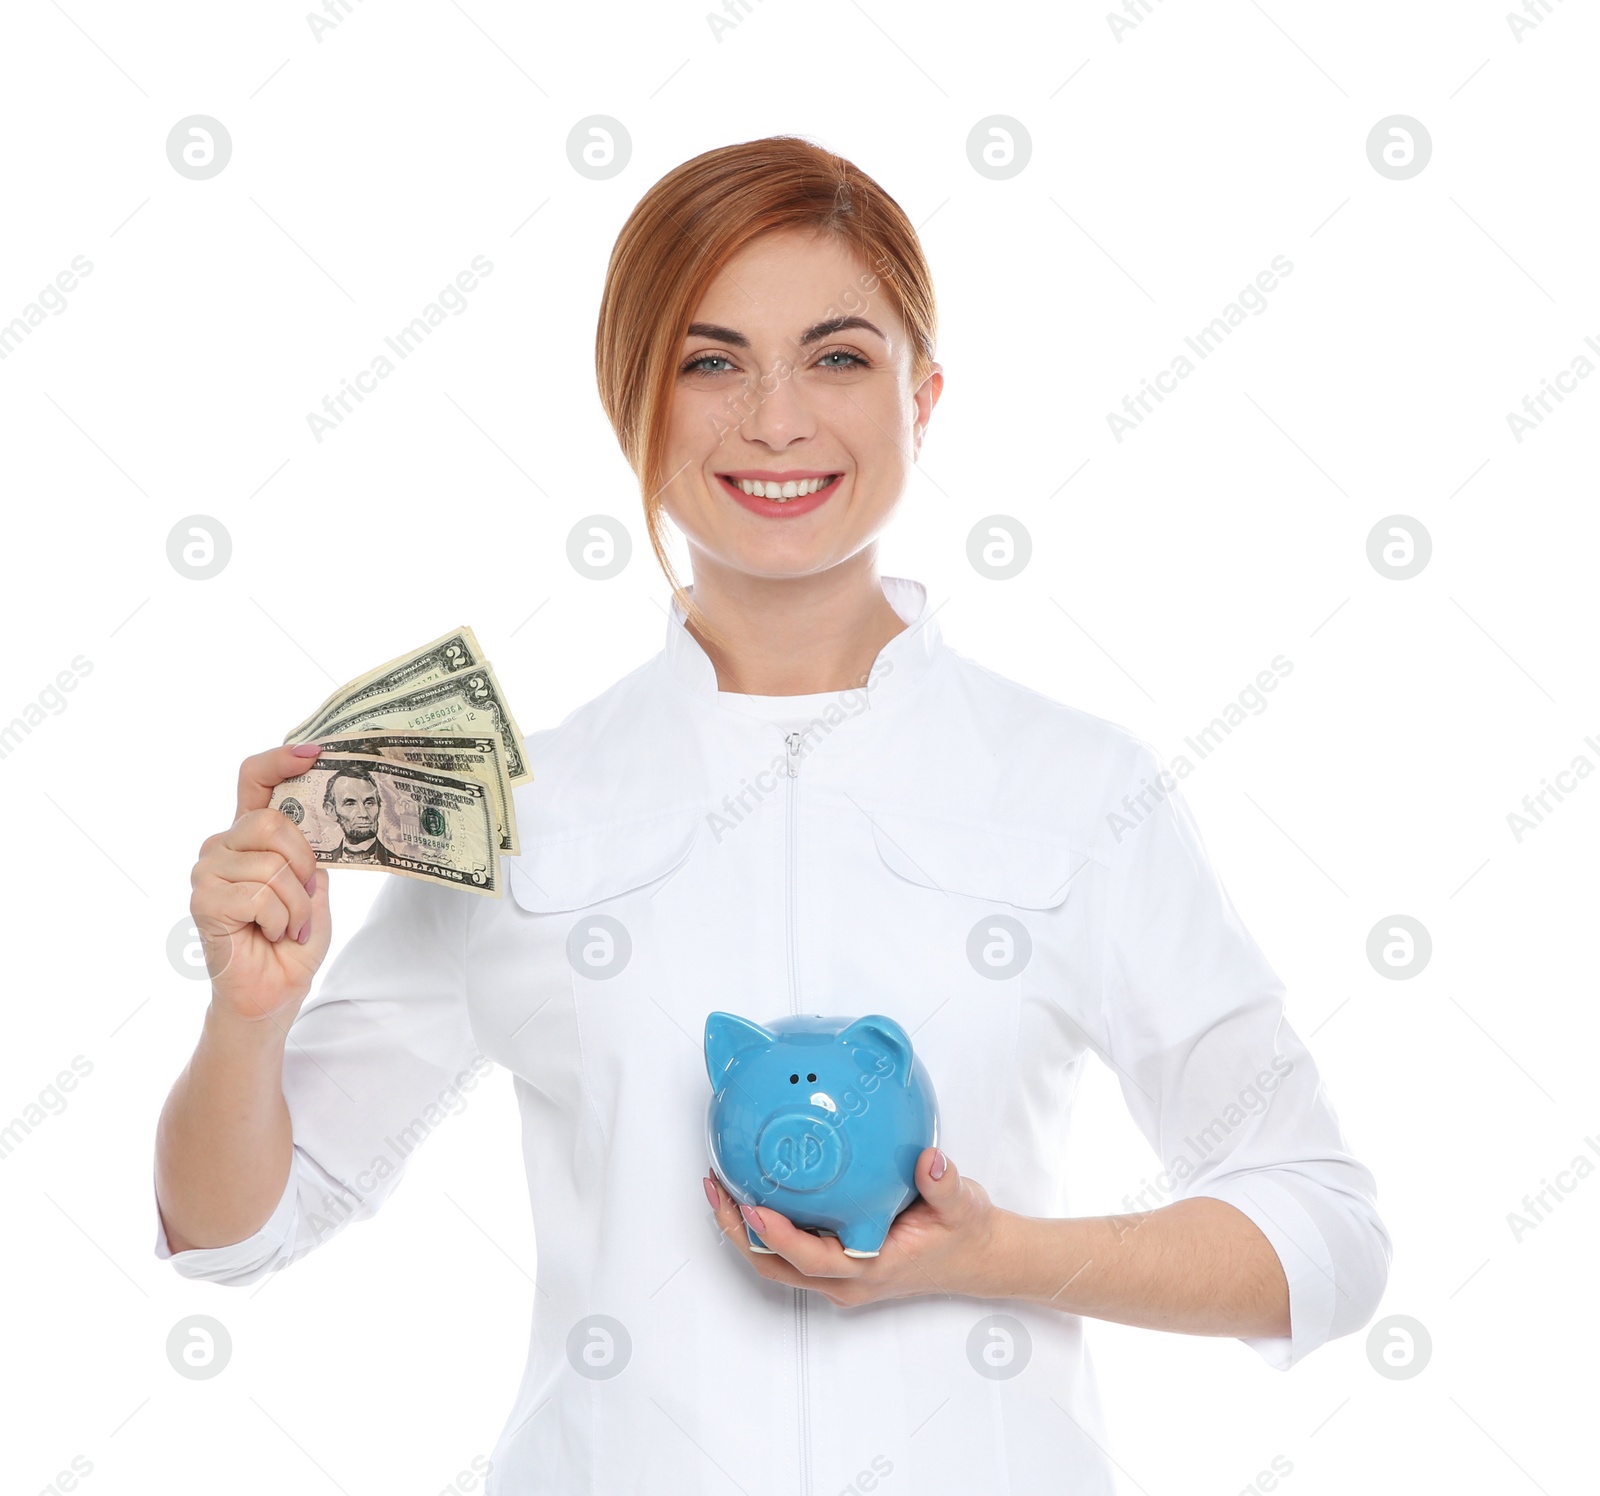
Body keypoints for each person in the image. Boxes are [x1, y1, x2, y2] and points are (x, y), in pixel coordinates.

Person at [153, 135, 1391, 1495]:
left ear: (925, 396)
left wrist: (996, 1255)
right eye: (710, 360)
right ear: (634, 405)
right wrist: (246, 1016)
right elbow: (232, 1232)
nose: (777, 420)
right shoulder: (512, 812)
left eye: (840, 358)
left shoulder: (1078, 787)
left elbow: (1323, 1235)